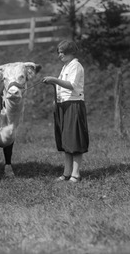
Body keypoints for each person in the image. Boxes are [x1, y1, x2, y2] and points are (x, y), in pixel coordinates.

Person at [42, 40, 89, 183]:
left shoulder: (76, 66)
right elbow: (62, 88)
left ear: (71, 52)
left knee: (74, 139)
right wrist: (56, 100)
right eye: (59, 52)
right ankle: (66, 173)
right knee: (66, 141)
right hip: (63, 105)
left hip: (73, 105)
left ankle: (76, 174)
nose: (59, 55)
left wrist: (54, 80)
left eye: (62, 52)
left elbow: (71, 86)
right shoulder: (65, 67)